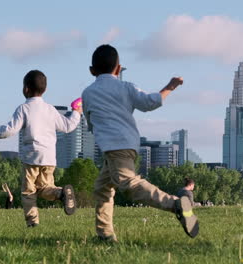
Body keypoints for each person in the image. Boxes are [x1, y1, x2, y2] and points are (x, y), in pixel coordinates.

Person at [82, 44, 199, 242]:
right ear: (118, 69)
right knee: (102, 188)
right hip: (128, 144)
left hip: (113, 147)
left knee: (129, 184)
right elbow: (150, 102)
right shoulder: (126, 87)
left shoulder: (88, 93)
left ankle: (176, 205)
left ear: (92, 70)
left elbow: (90, 121)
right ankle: (105, 235)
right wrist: (170, 87)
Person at [0, 70, 80, 227]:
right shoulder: (50, 109)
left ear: (25, 89)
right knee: (46, 187)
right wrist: (76, 111)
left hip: (31, 158)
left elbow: (9, 130)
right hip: (49, 158)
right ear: (44, 90)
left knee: (29, 193)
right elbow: (68, 126)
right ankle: (60, 194)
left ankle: (33, 223)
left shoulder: (23, 109)